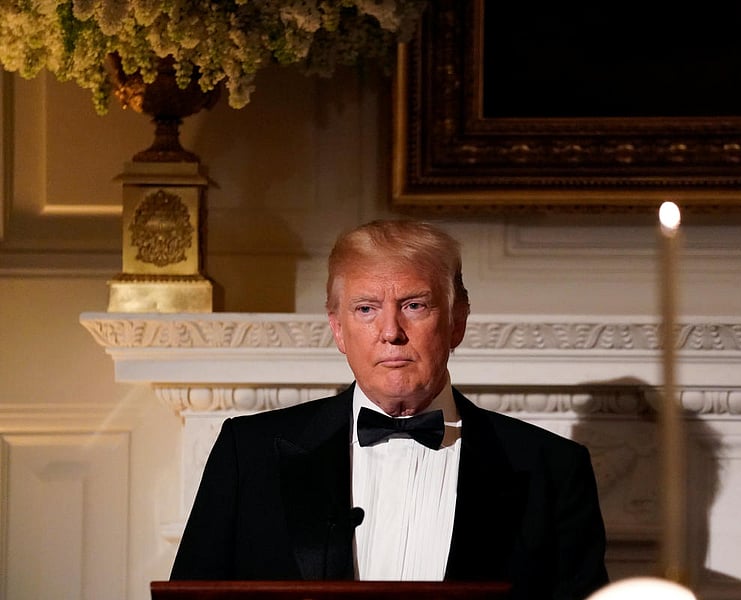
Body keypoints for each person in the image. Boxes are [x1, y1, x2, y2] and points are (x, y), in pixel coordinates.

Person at [170, 219, 610, 599]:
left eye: (414, 306)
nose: (391, 332)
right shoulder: (247, 453)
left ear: (457, 322)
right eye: (366, 309)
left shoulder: (552, 468)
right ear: (338, 329)